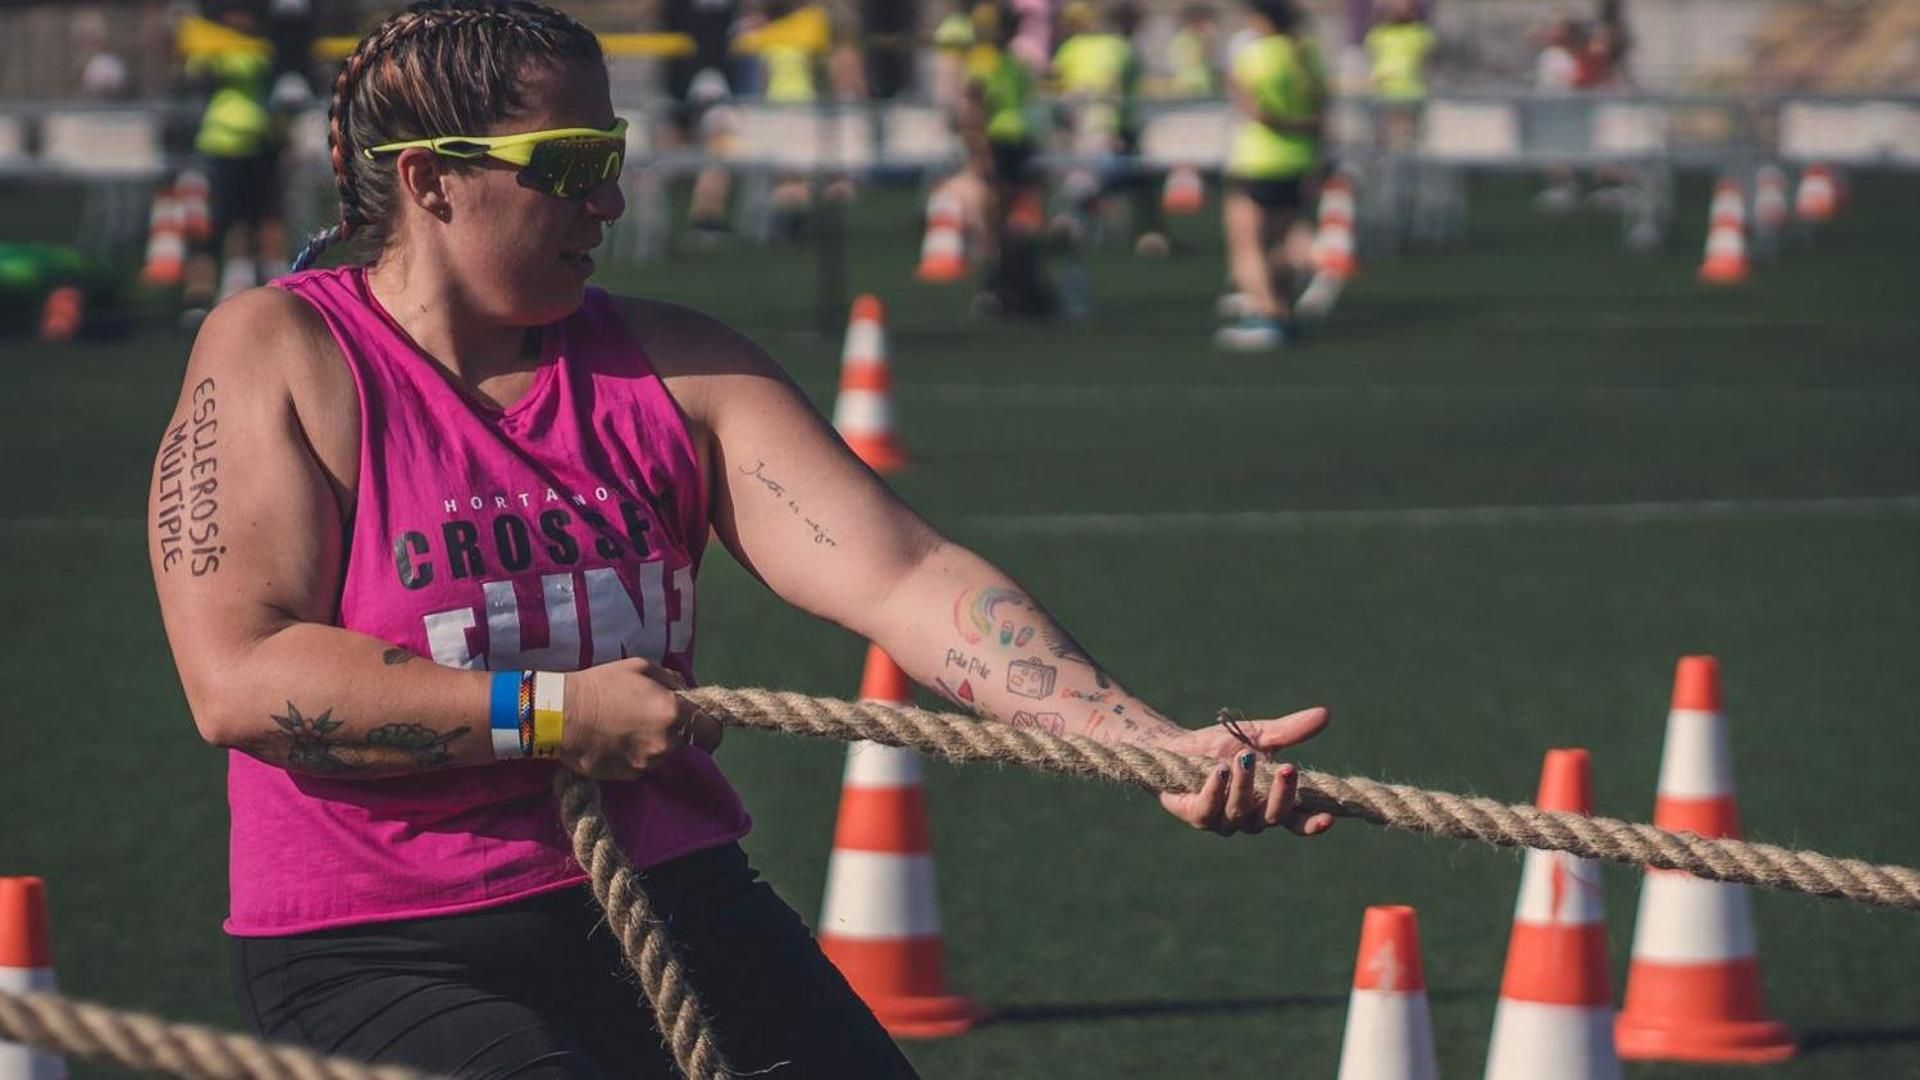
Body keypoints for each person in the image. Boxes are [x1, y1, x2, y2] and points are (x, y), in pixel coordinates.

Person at [147, 2, 1334, 1076]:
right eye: (572, 165)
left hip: (674, 897)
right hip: (382, 951)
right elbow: (238, 676)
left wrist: (1149, 746)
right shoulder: (281, 353)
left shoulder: (677, 363)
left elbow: (905, 575)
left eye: (614, 158)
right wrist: (555, 712)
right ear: (429, 180)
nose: (610, 202)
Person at [1215, 0, 1325, 352]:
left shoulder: (1254, 55)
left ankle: (1267, 315)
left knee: (1247, 246)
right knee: (1282, 240)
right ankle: (1283, 307)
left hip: (1258, 158)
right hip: (1298, 158)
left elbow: (1252, 109)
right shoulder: (1306, 54)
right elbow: (1322, 108)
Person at [1363, 0, 1434, 149]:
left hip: (1411, 94)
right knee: (1386, 141)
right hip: (1385, 94)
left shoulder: (1420, 34)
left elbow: (1426, 59)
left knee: (1408, 141)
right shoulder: (1378, 34)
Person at [1167, 4, 1221, 98]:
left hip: (1200, 86)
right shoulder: (1186, 38)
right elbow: (1200, 54)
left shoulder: (1195, 37)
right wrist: (1209, 37)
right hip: (1189, 86)